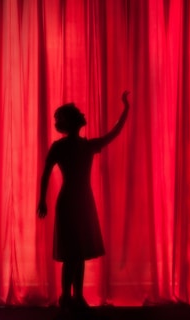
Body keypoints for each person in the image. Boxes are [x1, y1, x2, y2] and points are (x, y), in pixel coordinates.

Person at [37, 91, 130, 309]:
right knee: (72, 253)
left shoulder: (83, 145)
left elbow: (113, 133)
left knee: (79, 254)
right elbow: (45, 174)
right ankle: (67, 297)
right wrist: (42, 200)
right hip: (71, 201)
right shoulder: (62, 147)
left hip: (82, 201)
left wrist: (125, 109)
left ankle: (75, 296)